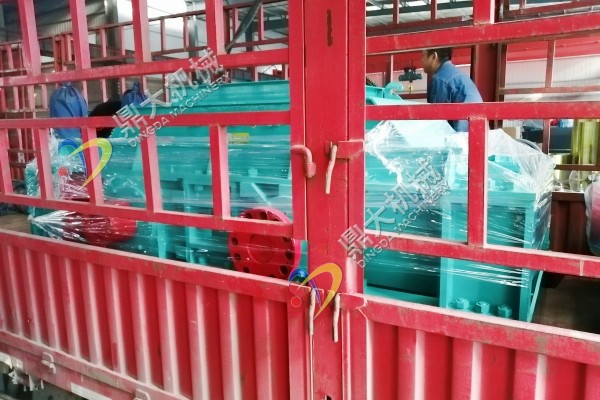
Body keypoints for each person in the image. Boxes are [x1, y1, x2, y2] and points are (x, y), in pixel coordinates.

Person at [421, 47, 483, 132]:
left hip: (463, 136)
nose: (421, 60)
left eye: (423, 55)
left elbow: (437, 123)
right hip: (476, 134)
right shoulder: (456, 74)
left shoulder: (440, 79)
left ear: (434, 57)